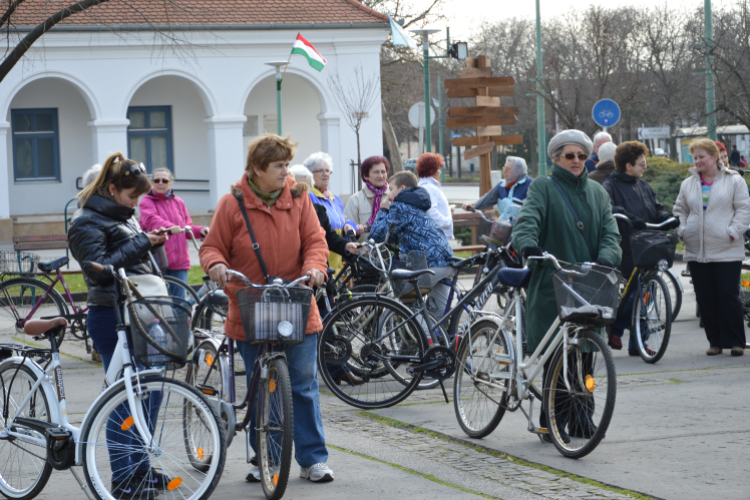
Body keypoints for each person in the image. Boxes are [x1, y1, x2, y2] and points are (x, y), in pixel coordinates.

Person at [199, 133, 335, 482]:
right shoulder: (233, 203)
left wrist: (315, 267)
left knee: (303, 384)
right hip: (250, 304)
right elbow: (212, 247)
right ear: (258, 169)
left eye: (287, 165)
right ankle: (267, 459)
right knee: (262, 386)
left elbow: (315, 241)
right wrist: (215, 265)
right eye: (279, 166)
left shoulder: (299, 197)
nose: (285, 172)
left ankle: (312, 458)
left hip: (295, 301)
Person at [68, 152, 170, 498]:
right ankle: (124, 479)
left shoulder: (121, 214)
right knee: (124, 400)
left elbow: (131, 259)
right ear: (111, 189)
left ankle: (141, 468)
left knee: (150, 394)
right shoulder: (85, 222)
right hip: (112, 315)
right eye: (132, 196)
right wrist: (144, 242)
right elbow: (99, 268)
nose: (137, 202)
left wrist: (150, 242)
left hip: (140, 310)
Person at [513, 129, 621, 440]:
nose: (577, 161)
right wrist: (529, 245)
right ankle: (552, 418)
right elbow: (528, 220)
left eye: (582, 156)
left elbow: (611, 232)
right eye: (570, 155)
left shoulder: (598, 192)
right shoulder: (543, 188)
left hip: (590, 282)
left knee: (585, 351)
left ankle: (582, 414)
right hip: (552, 281)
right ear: (556, 158)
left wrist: (606, 257)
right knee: (555, 356)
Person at [673, 138, 750, 356]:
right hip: (697, 250)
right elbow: (680, 210)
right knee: (706, 297)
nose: (697, 161)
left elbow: (744, 209)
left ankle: (736, 341)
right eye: (695, 157)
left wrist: (734, 231)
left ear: (714, 157)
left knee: (728, 295)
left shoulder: (734, 180)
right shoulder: (688, 184)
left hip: (727, 248)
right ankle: (714, 342)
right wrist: (682, 230)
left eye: (701, 157)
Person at [602, 141, 678, 354]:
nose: (645, 167)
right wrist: (629, 217)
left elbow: (657, 207)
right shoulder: (610, 185)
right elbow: (607, 206)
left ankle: (637, 344)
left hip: (649, 244)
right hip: (627, 247)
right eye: (641, 163)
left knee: (649, 294)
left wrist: (667, 217)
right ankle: (616, 327)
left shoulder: (643, 185)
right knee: (635, 294)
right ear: (628, 165)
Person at [370, 171, 455, 315]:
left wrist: (383, 210)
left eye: (391, 189)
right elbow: (395, 235)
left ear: (402, 188)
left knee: (404, 306)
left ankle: (426, 337)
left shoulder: (400, 205)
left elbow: (377, 234)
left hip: (428, 263)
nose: (389, 195)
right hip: (446, 261)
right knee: (438, 314)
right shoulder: (418, 204)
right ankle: (439, 337)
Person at [139, 168, 208, 299]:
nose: (160, 183)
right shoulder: (146, 201)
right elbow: (152, 220)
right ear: (152, 182)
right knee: (160, 304)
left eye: (164, 180)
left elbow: (187, 228)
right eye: (156, 180)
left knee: (180, 304)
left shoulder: (178, 202)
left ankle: (180, 320)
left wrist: (201, 231)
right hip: (158, 261)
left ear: (170, 183)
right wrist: (170, 227)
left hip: (180, 262)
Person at [302, 152, 357, 272]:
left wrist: (351, 226)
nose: (325, 174)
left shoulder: (334, 198)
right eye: (320, 170)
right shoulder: (308, 196)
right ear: (310, 174)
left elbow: (345, 220)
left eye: (328, 170)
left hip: (338, 261)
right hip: (321, 261)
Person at [462, 156, 532, 224]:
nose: (504, 171)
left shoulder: (531, 185)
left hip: (522, 231)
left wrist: (525, 218)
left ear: (517, 171)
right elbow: (486, 199)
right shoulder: (501, 186)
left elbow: (538, 208)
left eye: (508, 169)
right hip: (502, 229)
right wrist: (473, 205)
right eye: (504, 168)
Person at [344, 155, 390, 238]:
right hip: (365, 250)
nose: (380, 176)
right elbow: (348, 232)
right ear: (365, 175)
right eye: (376, 172)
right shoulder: (355, 200)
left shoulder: (394, 196)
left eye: (383, 172)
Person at [416, 153, 454, 240]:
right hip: (438, 237)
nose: (440, 172)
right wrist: (447, 221)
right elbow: (432, 213)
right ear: (432, 170)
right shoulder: (429, 188)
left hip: (437, 236)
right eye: (438, 169)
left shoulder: (428, 186)